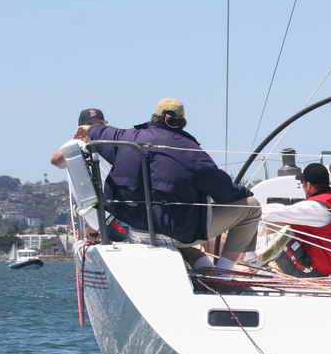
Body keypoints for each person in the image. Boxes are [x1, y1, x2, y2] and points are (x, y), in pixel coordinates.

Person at [79, 98, 260, 270]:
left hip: (134, 229)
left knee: (167, 225)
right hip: (174, 232)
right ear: (182, 121)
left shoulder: (123, 137)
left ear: (154, 117)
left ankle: (201, 263)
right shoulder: (191, 151)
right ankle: (224, 272)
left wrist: (86, 129)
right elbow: (226, 193)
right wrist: (244, 192)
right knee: (252, 207)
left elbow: (98, 131)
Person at [261, 163, 331, 278]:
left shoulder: (316, 208)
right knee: (282, 227)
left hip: (312, 269)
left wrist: (251, 210)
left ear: (308, 185)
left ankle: (254, 263)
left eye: (302, 183)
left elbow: (274, 214)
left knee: (280, 229)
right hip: (322, 266)